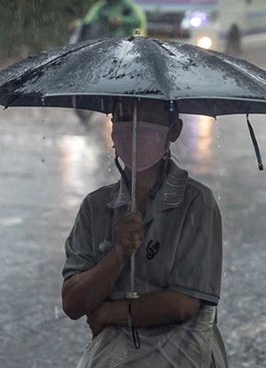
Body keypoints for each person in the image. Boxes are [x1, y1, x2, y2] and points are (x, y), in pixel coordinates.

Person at [61, 97, 229, 367]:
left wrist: (111, 311)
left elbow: (184, 303)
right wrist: (118, 254)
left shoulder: (197, 203)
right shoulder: (95, 207)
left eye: (149, 118)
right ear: (113, 129)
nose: (135, 128)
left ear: (173, 130)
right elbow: (72, 302)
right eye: (124, 117)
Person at [80, 0, 147, 40]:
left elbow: (138, 21)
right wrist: (78, 24)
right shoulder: (102, 6)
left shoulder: (126, 4)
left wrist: (122, 20)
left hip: (124, 41)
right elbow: (89, 21)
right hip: (104, 40)